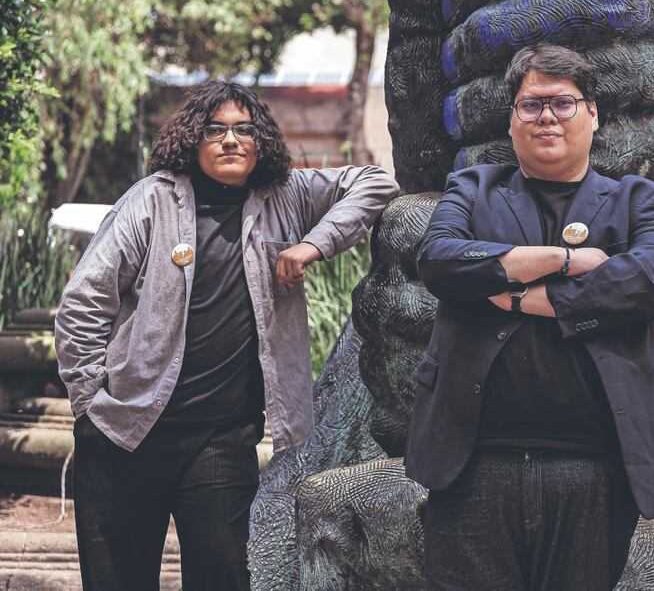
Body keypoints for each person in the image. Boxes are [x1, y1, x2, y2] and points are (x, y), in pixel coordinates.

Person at [55, 80, 399, 590]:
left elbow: (374, 184)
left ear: (261, 140)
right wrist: (91, 401)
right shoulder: (152, 202)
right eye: (216, 130)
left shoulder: (287, 197)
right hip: (126, 434)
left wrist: (312, 246)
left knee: (223, 576)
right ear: (193, 140)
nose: (230, 140)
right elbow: (85, 301)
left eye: (244, 129)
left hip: (219, 441)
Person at [407, 44, 654, 590]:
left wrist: (523, 295)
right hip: (473, 461)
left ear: (593, 115)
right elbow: (439, 261)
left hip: (596, 465)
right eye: (531, 105)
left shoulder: (639, 199)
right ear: (513, 120)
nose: (546, 118)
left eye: (562, 103)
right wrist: (565, 261)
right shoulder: (472, 187)